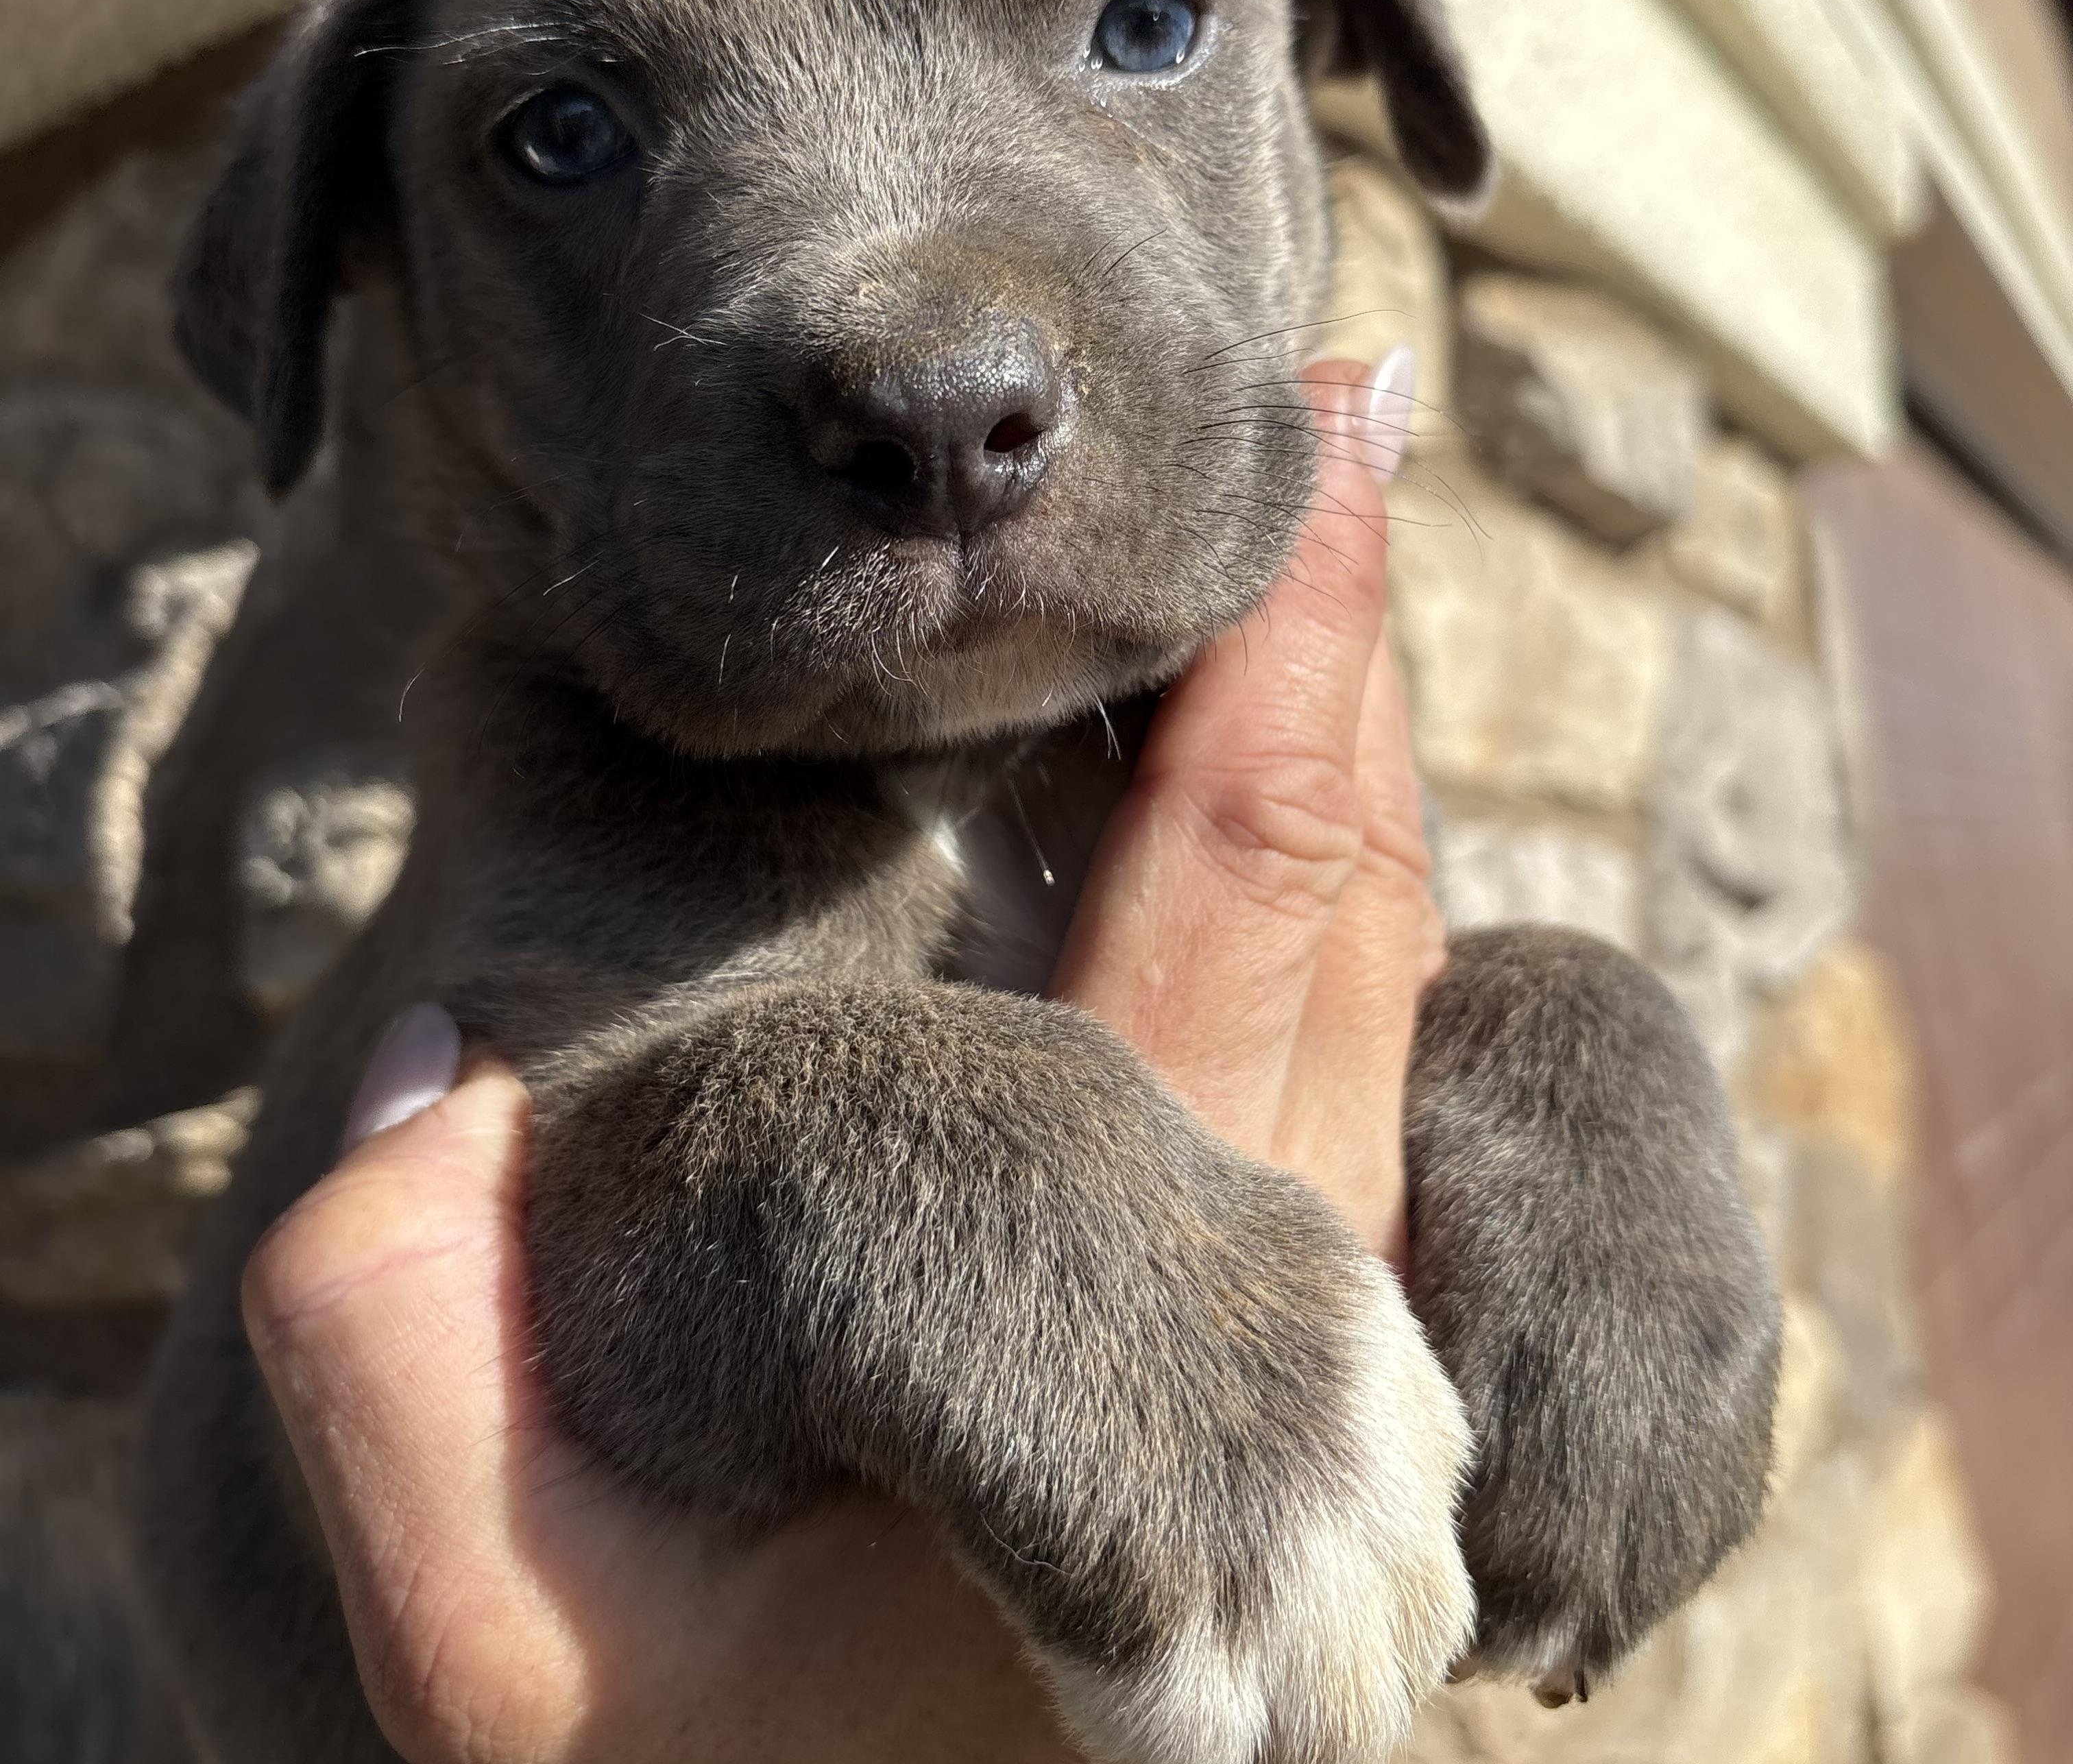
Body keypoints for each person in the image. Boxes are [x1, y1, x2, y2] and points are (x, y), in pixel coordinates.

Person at [240, 356, 1442, 1763]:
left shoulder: (1205, 700)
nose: (930, 371)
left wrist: (1546, 1077)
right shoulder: (556, 753)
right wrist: (908, 1165)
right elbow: (587, 1303)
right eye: (566, 132)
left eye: (1140, 107)